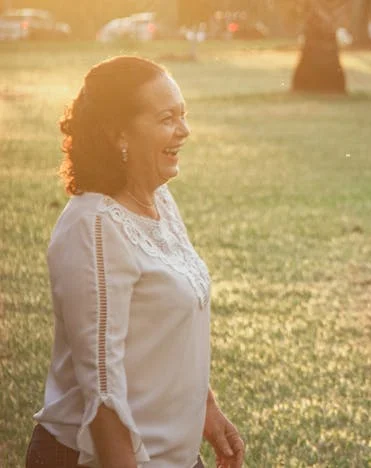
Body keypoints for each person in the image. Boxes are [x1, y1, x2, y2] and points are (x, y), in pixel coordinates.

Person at [25, 56, 244, 468]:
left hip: (170, 456)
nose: (184, 131)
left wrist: (207, 409)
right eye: (167, 118)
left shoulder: (158, 199)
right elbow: (104, 394)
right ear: (117, 132)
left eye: (183, 115)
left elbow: (164, 331)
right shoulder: (94, 228)